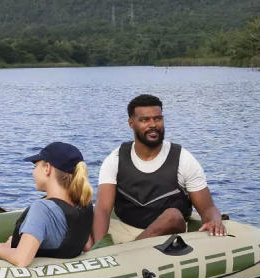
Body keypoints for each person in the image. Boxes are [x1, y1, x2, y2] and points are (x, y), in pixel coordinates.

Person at [91, 93, 225, 247]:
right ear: (131, 123)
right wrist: (99, 250)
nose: (153, 124)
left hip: (167, 236)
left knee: (172, 216)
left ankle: (131, 250)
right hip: (124, 228)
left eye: (158, 119)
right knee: (84, 210)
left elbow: (207, 208)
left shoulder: (183, 159)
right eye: (145, 120)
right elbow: (103, 208)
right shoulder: (115, 159)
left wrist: (215, 219)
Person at [0, 142, 94, 267]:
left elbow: (21, 259)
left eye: (35, 167)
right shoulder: (84, 203)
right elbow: (87, 244)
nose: (33, 172)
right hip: (59, 258)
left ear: (47, 168)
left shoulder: (43, 209)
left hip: (33, 264)